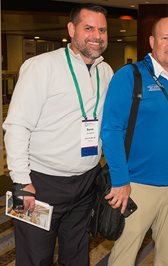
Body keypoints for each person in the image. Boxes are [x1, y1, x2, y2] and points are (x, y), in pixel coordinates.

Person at [3, 4, 113, 265]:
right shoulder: (40, 66)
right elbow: (17, 126)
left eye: (102, 30)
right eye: (89, 28)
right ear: (71, 29)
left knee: (76, 256)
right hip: (40, 184)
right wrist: (21, 182)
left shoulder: (105, 71)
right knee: (34, 258)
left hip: (86, 182)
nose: (97, 35)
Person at [101, 17, 168, 265]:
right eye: (165, 38)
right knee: (124, 257)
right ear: (152, 41)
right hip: (135, 186)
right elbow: (111, 130)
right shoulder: (130, 76)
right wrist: (120, 181)